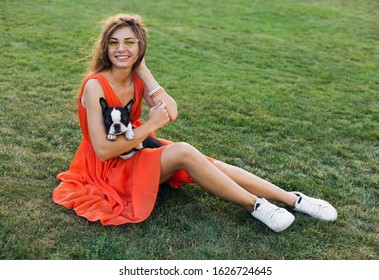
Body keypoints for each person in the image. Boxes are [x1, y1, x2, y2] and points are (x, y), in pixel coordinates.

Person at [52, 14, 337, 232]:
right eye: (114, 43)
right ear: (105, 47)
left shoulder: (137, 76)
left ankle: (293, 199)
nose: (121, 49)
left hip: (136, 148)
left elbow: (171, 111)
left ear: (141, 47)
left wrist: (144, 71)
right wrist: (149, 126)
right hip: (105, 169)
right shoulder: (95, 85)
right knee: (185, 151)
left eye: (130, 42)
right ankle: (256, 206)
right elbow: (102, 150)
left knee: (210, 164)